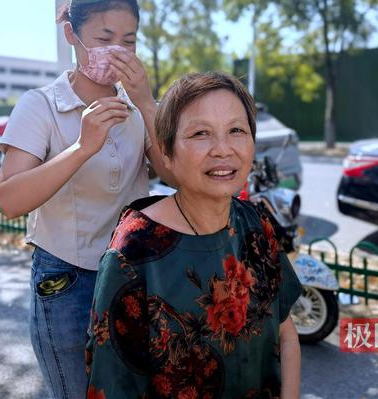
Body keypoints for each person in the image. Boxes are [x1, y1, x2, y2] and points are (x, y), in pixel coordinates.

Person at [0, 0, 173, 399]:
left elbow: (177, 176)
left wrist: (147, 103)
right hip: (66, 281)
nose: (118, 50)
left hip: (133, 272)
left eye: (128, 40)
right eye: (105, 37)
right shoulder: (40, 105)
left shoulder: (138, 108)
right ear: (71, 34)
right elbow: (9, 200)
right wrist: (81, 146)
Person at [86, 72, 303, 398]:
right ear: (166, 152)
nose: (223, 149)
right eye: (201, 133)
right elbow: (112, 386)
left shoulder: (257, 224)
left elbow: (286, 335)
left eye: (236, 131)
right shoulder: (133, 254)